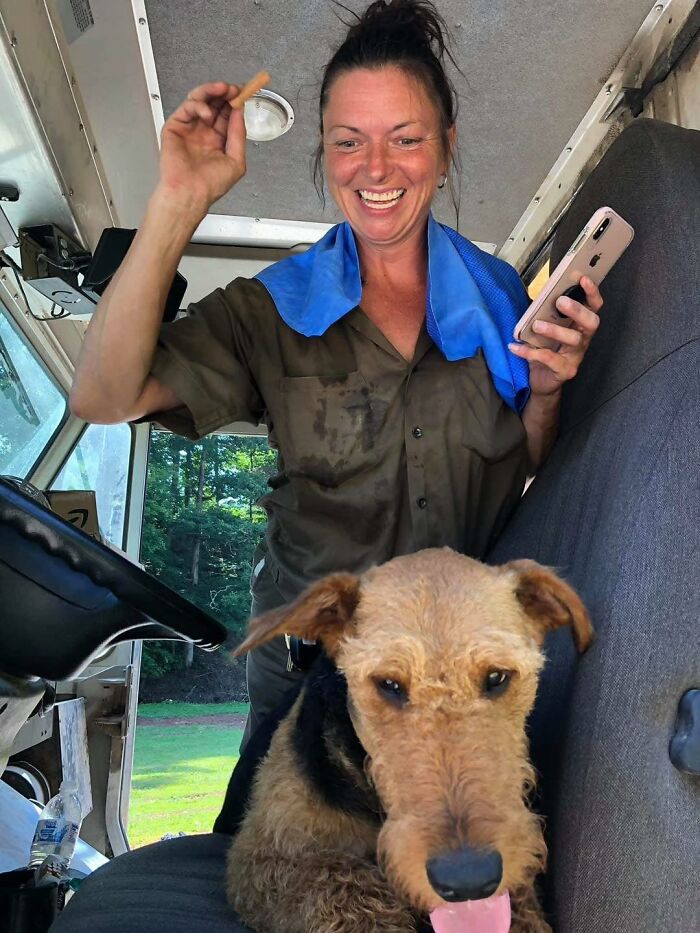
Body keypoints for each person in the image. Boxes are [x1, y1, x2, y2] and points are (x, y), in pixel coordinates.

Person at [69, 0, 603, 745]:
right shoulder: (268, 310)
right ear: (323, 150)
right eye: (348, 142)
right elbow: (103, 395)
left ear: (445, 148)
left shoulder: (504, 298)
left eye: (405, 139)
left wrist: (545, 394)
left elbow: (531, 464)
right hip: (307, 686)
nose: (375, 169)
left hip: (454, 693)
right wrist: (179, 199)